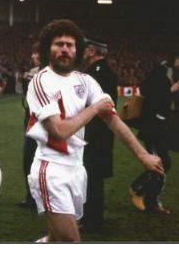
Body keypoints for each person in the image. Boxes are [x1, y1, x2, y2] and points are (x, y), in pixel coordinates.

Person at [25, 19, 164, 242]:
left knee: (56, 238)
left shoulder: (86, 81)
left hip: (77, 169)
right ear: (47, 49)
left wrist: (142, 154)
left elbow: (113, 120)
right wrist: (95, 108)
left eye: (70, 45)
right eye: (58, 44)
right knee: (72, 240)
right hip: (51, 169)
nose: (65, 49)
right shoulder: (41, 82)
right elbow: (58, 131)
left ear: (78, 50)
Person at [129, 52, 179, 214]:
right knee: (162, 162)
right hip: (153, 125)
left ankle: (151, 201)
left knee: (164, 163)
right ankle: (138, 190)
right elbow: (146, 91)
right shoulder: (159, 71)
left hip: (167, 127)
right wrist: (170, 89)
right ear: (175, 57)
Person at [80, 37, 118, 232]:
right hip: (100, 134)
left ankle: (92, 221)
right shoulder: (106, 72)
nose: (83, 52)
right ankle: (90, 217)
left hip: (94, 134)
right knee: (93, 178)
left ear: (92, 51)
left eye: (85, 48)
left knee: (92, 178)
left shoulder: (96, 74)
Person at [19, 42, 40, 209]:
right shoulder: (32, 72)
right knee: (28, 161)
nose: (32, 56)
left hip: (42, 121)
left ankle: (38, 199)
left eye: (35, 53)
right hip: (31, 119)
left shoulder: (49, 73)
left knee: (35, 160)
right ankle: (31, 198)